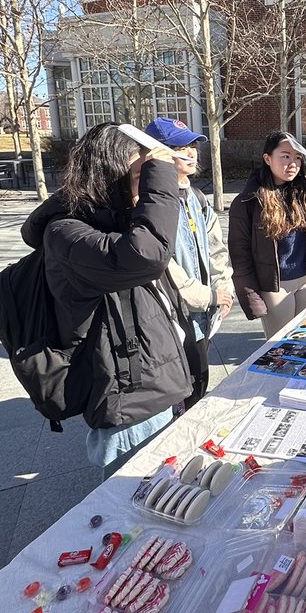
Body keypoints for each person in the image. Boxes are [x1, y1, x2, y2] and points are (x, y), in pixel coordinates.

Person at [20, 123, 198, 477]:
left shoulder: (114, 219)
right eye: (139, 176)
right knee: (131, 501)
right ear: (107, 173)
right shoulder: (66, 233)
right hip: (126, 399)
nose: (146, 187)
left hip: (152, 383)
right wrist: (160, 174)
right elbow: (147, 255)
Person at [143, 116, 234, 406]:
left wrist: (223, 288)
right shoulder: (151, 202)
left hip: (203, 313)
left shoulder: (196, 197)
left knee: (199, 380)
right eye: (180, 146)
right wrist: (207, 296)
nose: (191, 152)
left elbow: (216, 248)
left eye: (193, 145)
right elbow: (163, 263)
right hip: (172, 316)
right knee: (179, 390)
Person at [228, 131, 306, 338]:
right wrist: (252, 299)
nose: (292, 163)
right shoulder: (247, 202)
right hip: (276, 286)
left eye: (298, 157)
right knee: (279, 348)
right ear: (267, 158)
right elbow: (240, 256)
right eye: (285, 156)